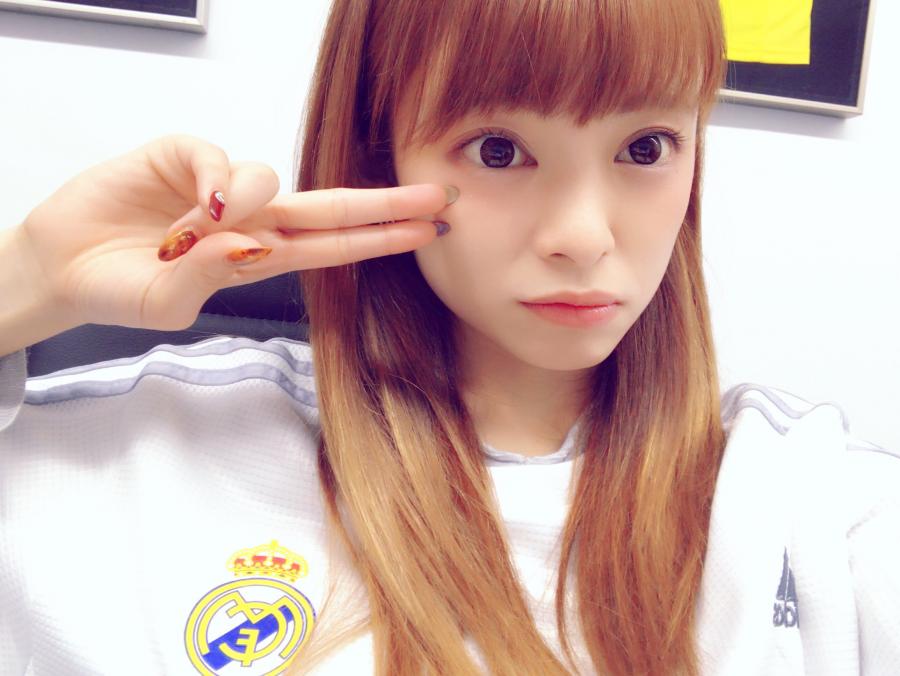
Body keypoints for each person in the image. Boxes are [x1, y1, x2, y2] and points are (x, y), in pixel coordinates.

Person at [1, 0, 897, 674]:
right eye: (499, 150)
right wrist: (27, 279)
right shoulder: (149, 452)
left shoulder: (813, 504)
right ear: (379, 151)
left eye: (648, 147)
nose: (583, 236)